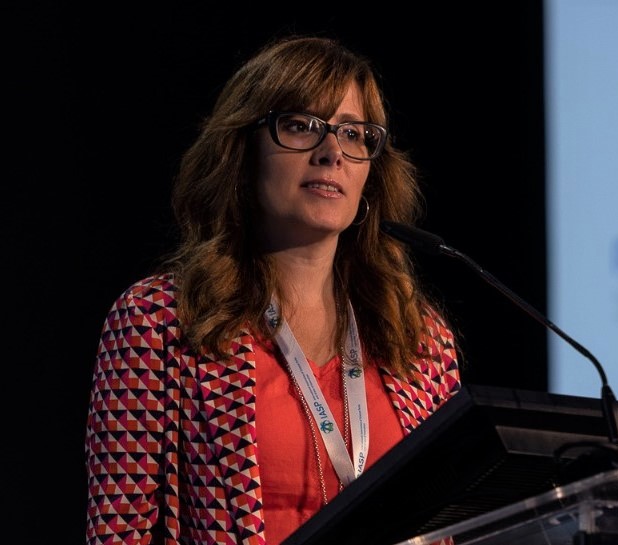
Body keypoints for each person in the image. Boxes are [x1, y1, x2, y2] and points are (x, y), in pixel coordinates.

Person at [84, 34, 463, 545]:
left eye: (354, 134)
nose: (332, 153)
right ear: (244, 152)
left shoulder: (420, 339)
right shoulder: (160, 320)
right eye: (301, 126)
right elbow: (118, 533)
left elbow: (449, 526)